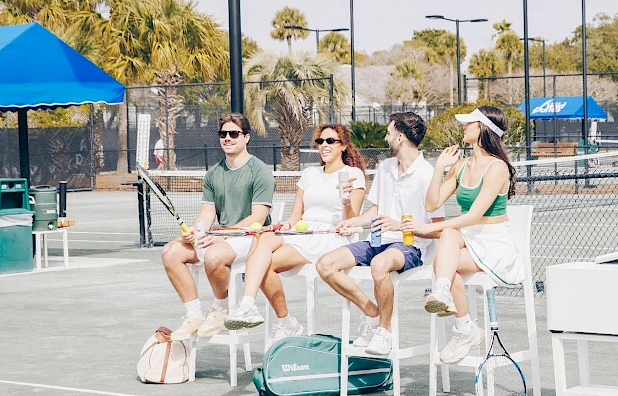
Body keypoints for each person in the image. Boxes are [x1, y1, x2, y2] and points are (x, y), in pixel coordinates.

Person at [401, 105, 524, 364]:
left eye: (470, 123)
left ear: (483, 129)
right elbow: (431, 204)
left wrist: (426, 228)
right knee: (447, 242)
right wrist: (439, 169)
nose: (464, 126)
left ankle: (464, 325)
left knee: (443, 257)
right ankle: (452, 306)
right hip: (467, 239)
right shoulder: (460, 165)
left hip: (494, 244)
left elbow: (473, 216)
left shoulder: (497, 168)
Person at [316, 112, 444, 356]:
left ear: (399, 138)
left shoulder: (428, 174)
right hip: (376, 241)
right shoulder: (385, 167)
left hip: (410, 246)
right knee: (325, 265)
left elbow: (438, 226)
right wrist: (354, 221)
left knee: (379, 264)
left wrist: (399, 225)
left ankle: (384, 332)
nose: (385, 137)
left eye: (388, 133)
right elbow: (375, 210)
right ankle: (373, 314)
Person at [222, 124, 368, 339]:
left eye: (330, 141)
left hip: (331, 237)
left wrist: (345, 199)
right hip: (302, 232)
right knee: (262, 239)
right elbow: (295, 216)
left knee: (262, 265)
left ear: (343, 146)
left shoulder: (353, 174)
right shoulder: (309, 173)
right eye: (320, 141)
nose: (324, 145)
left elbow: (351, 221)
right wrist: (287, 224)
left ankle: (281, 320)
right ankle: (253, 306)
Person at [162, 113, 276, 340]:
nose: (228, 138)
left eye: (234, 134)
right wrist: (196, 231)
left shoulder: (260, 171)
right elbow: (207, 213)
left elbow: (258, 218)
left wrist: (221, 236)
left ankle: (220, 307)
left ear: (246, 137)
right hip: (221, 237)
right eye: (223, 134)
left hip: (252, 239)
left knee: (214, 256)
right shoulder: (213, 173)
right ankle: (194, 314)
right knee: (170, 252)